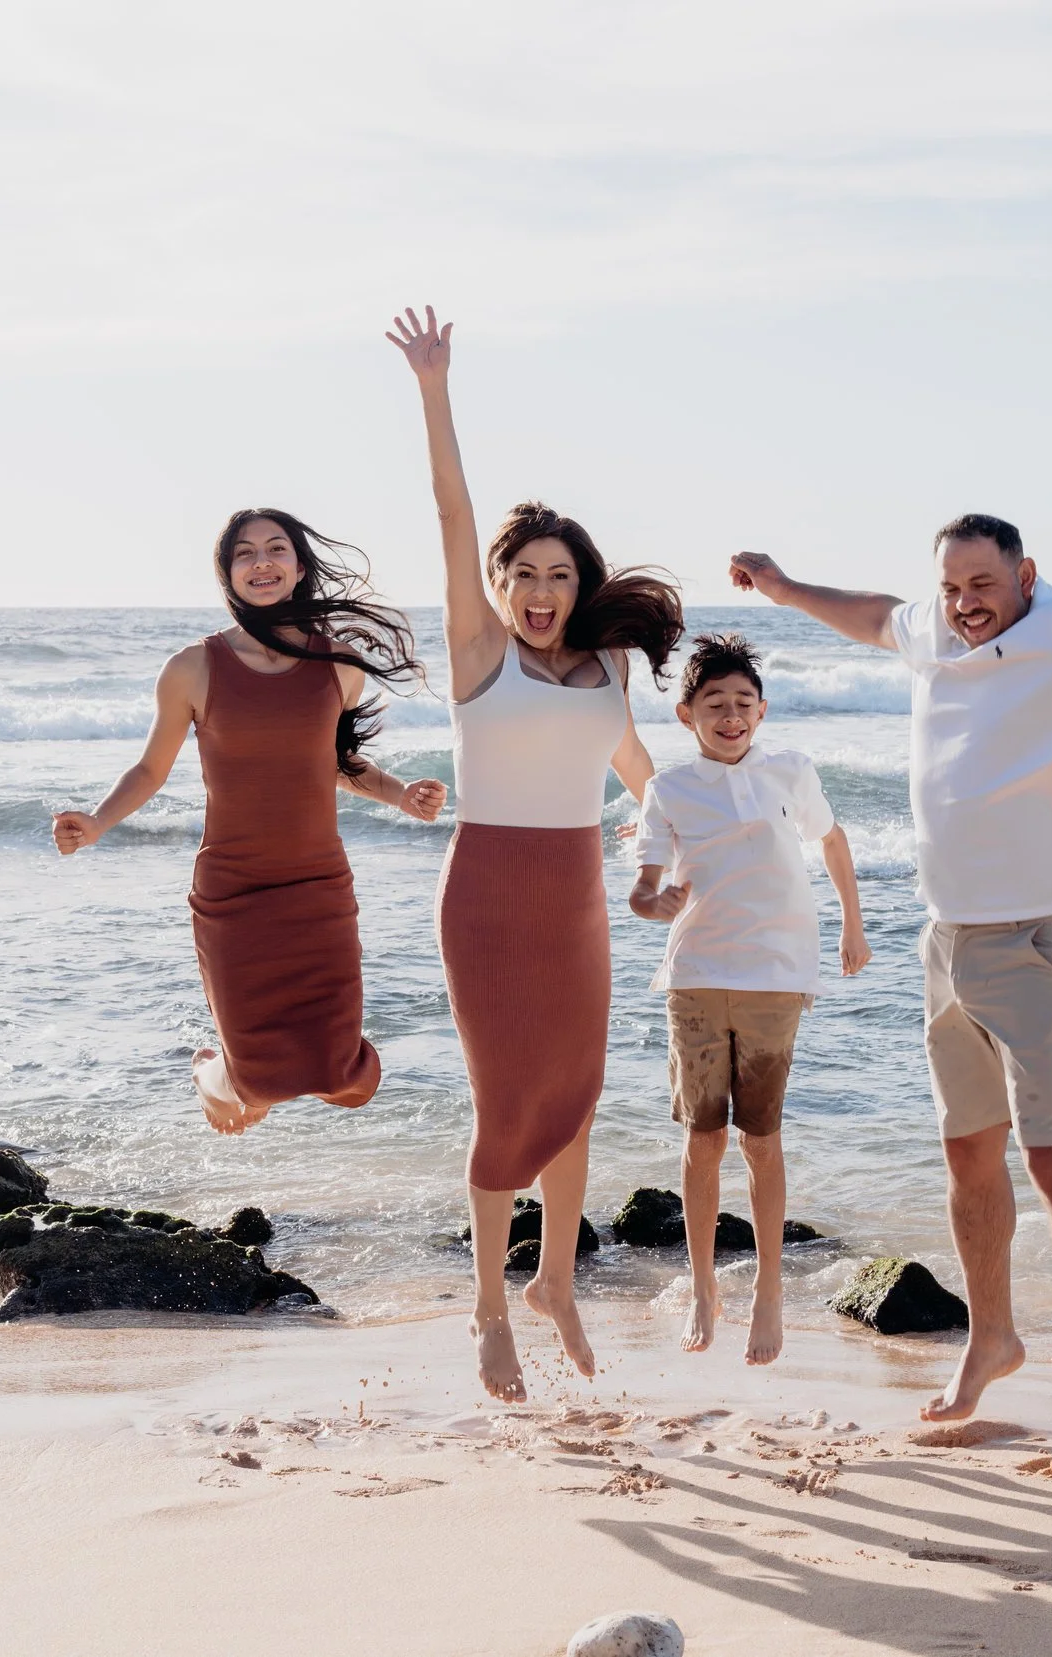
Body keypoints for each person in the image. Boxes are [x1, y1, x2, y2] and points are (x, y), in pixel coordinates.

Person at [729, 504, 1052, 1469]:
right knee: (968, 1153)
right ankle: (993, 1337)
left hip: (1042, 941)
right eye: (954, 587)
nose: (967, 605)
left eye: (985, 586)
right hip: (948, 939)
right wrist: (788, 585)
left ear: (1028, 575)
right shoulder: (931, 625)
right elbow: (876, 612)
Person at [385, 306, 685, 1401]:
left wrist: (681, 848)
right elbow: (452, 509)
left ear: (578, 582)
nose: (544, 593)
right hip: (488, 896)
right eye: (527, 576)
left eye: (561, 576)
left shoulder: (606, 668)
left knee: (575, 1093)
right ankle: (485, 1311)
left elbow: (642, 771)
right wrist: (434, 387)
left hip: (575, 897)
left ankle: (556, 1280)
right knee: (506, 1100)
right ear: (502, 585)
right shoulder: (478, 654)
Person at [52, 509, 446, 1132]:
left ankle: (237, 1081)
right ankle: (213, 1070)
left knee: (347, 1079)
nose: (261, 562)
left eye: (276, 549)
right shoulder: (193, 667)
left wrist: (400, 795)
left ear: (298, 566)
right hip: (235, 894)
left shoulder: (339, 665)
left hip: (318, 889)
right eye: (244, 553)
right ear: (227, 574)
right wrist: (96, 822)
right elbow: (150, 770)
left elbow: (336, 763)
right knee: (258, 1084)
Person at [628, 633, 869, 1366]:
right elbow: (642, 886)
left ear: (761, 710)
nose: (730, 716)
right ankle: (704, 1288)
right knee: (702, 1140)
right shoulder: (668, 789)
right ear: (685, 713)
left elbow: (832, 841)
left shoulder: (790, 771)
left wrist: (853, 926)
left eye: (742, 704)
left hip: (776, 977)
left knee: (760, 1139)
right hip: (696, 976)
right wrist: (654, 900)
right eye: (714, 705)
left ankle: (768, 1289)